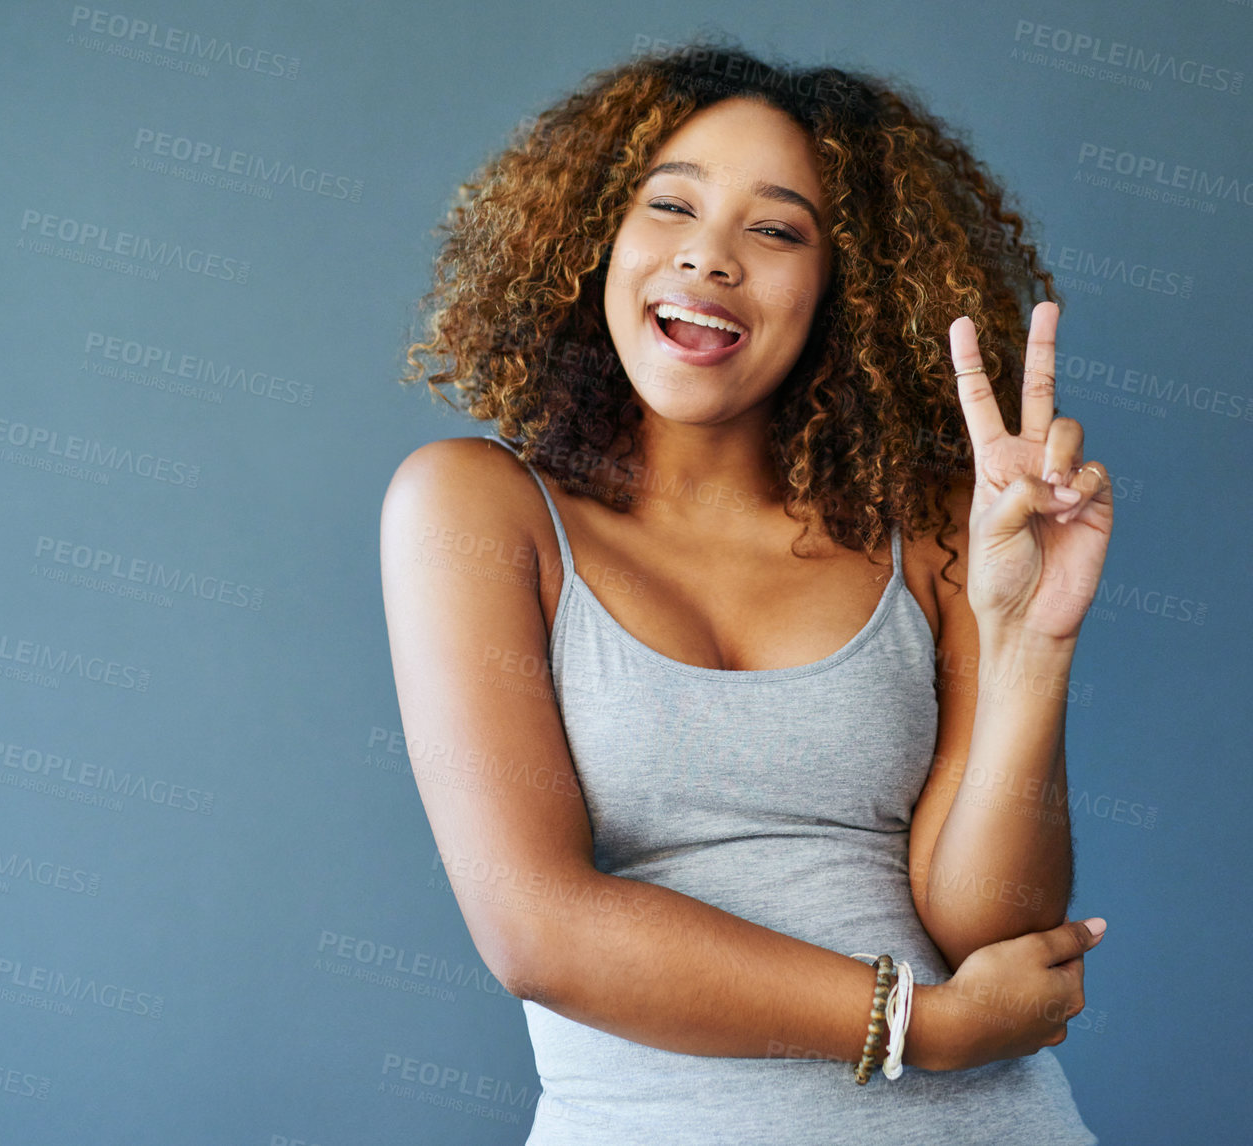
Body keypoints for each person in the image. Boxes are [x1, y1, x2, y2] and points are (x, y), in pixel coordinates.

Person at [380, 36, 1114, 1145]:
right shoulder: (479, 511)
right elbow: (539, 928)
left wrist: (1029, 647)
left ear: (841, 291)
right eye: (669, 206)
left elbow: (993, 931)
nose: (710, 258)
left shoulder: (929, 525)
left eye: (776, 230)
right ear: (592, 241)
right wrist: (923, 1027)